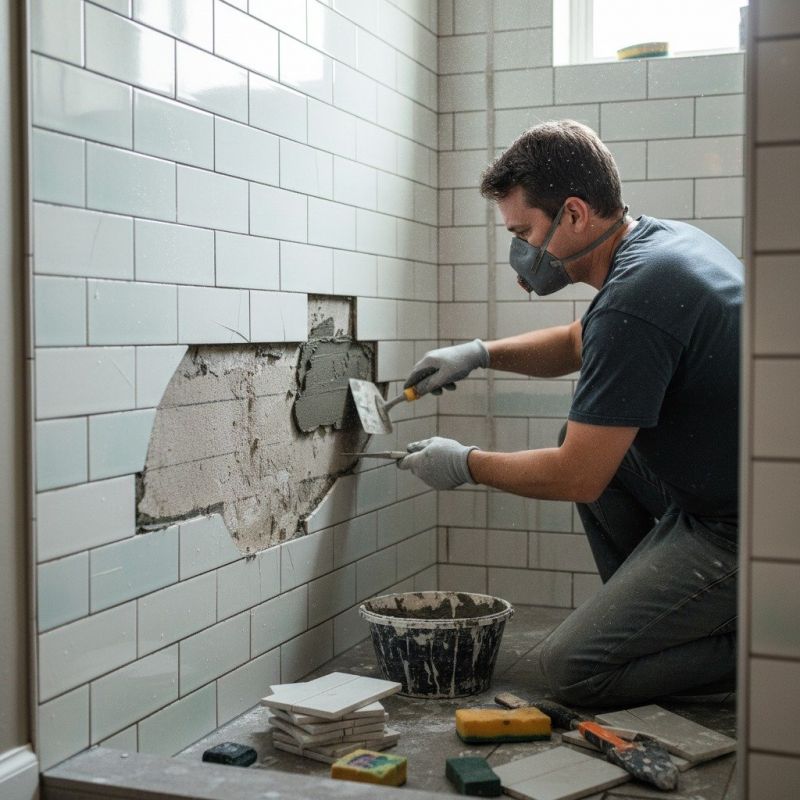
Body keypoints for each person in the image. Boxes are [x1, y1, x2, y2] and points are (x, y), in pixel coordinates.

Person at [397, 120, 741, 707]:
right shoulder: (658, 246)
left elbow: (575, 476)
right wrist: (478, 355)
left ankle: (757, 643)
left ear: (575, 214)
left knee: (571, 673)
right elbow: (582, 342)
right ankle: (656, 623)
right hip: (729, 492)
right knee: (581, 439)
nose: (521, 253)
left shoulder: (635, 301)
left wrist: (465, 465)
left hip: (748, 530)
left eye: (525, 232)